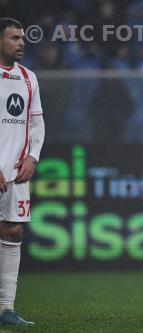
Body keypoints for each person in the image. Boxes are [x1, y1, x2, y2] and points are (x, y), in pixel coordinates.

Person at [0, 18, 45, 326]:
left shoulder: (29, 78)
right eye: (15, 37)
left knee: (13, 231)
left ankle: (6, 308)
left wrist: (32, 156)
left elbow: (36, 123)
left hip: (15, 171)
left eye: (23, 37)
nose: (21, 42)